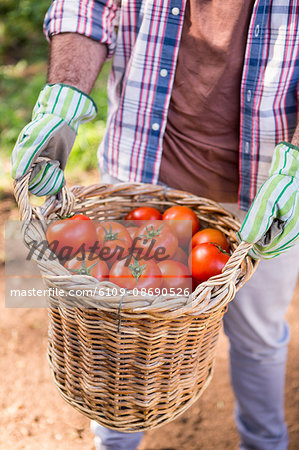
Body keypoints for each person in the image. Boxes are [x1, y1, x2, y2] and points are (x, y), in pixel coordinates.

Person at [11, 1, 299, 449]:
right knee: (119, 338)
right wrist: (65, 96)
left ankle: (265, 443)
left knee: (259, 336)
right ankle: (115, 445)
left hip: (267, 190)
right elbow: (86, 7)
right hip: (141, 172)